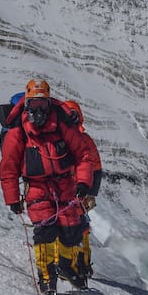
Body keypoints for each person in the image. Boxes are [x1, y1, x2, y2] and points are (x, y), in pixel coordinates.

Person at [0, 79, 97, 295]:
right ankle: (46, 278)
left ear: (49, 104)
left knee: (71, 231)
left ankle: (66, 267)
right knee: (45, 232)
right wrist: (13, 198)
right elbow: (9, 165)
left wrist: (83, 182)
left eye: (42, 105)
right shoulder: (18, 130)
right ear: (26, 104)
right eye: (33, 105)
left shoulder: (62, 123)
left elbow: (82, 154)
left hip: (65, 185)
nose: (38, 112)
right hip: (36, 187)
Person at [59, 99, 102, 277]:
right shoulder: (77, 140)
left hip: (78, 192)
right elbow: (97, 168)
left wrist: (91, 193)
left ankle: (77, 265)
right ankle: (74, 264)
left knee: (78, 226)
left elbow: (96, 168)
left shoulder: (82, 140)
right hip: (67, 192)